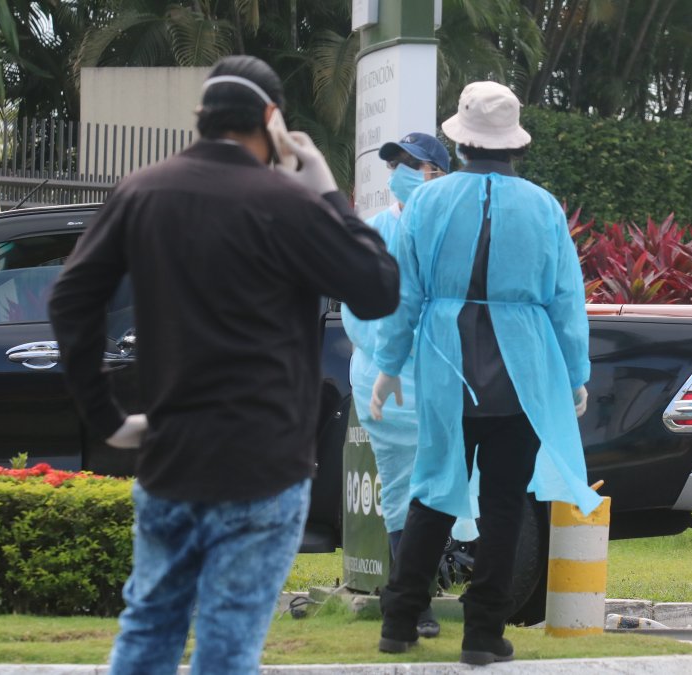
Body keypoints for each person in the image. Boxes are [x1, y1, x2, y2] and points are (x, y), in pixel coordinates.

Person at [48, 55, 399, 673]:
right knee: (230, 645)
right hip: (263, 459)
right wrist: (323, 190)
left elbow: (71, 298)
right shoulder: (287, 203)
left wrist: (104, 414)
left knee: (148, 630)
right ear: (272, 120)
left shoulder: (142, 190)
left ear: (199, 118)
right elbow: (377, 287)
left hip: (171, 453)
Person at [369, 81, 600, 666]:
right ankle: (482, 634)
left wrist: (389, 365)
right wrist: (575, 374)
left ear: (461, 140)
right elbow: (566, 302)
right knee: (503, 504)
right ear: (514, 143)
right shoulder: (544, 207)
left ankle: (398, 620)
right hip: (524, 372)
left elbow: (404, 296)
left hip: (446, 366)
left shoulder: (425, 202)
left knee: (432, 491)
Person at [343, 131, 469, 640]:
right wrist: (386, 359)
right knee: (401, 489)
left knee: (441, 486)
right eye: (395, 163)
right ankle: (414, 605)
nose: (401, 172)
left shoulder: (453, 234)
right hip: (382, 380)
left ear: (439, 173)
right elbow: (357, 307)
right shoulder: (373, 232)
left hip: (440, 376)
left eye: (413, 163)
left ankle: (421, 595)